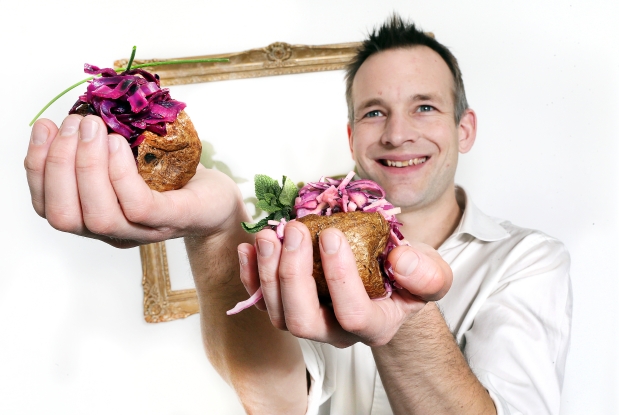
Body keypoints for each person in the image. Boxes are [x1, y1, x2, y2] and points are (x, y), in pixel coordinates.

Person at [24, 15, 571, 415]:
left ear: (464, 129)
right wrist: (217, 227)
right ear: (352, 138)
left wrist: (404, 322)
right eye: (374, 112)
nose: (398, 133)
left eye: (424, 107)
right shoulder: (302, 242)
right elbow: (277, 402)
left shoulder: (529, 261)